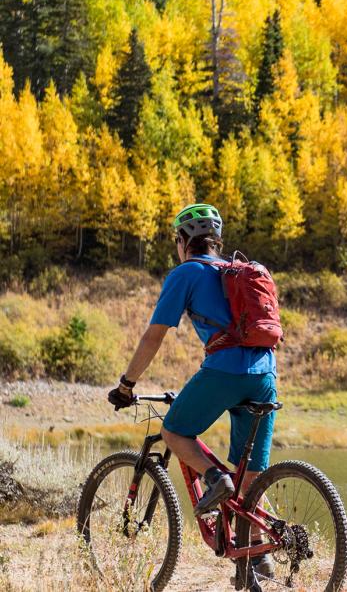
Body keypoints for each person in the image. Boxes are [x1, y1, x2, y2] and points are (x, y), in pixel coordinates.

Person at [107, 203, 277, 574]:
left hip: (224, 370)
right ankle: (258, 558)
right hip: (265, 373)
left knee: (174, 430)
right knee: (250, 479)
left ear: (183, 241)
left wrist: (126, 384)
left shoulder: (186, 273)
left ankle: (215, 479)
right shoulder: (238, 271)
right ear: (216, 241)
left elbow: (154, 336)